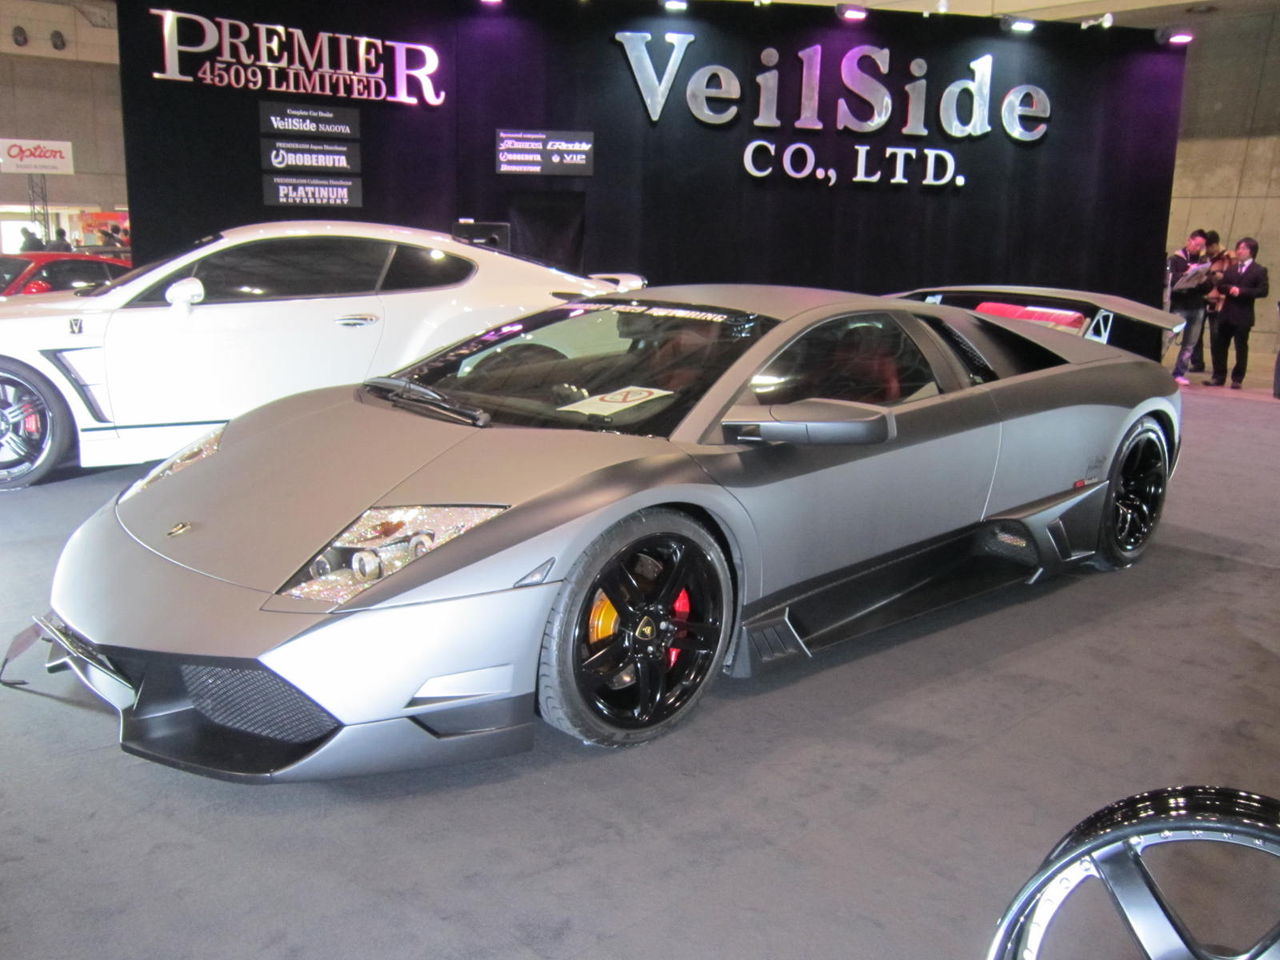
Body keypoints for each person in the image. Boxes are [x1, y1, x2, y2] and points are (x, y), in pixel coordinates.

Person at [1205, 238, 1269, 389]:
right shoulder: (1232, 269)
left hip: (1243, 314)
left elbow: (1263, 291)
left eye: (1243, 248)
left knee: (1241, 347)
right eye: (1238, 248)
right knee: (1220, 345)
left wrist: (1242, 291)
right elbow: (1221, 287)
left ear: (1251, 252)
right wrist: (1228, 289)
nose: (1239, 251)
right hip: (1227, 313)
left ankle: (1237, 378)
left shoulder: (1259, 270)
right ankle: (1218, 376)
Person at [1168, 229, 1210, 384]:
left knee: (1190, 344)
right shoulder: (1175, 259)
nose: (1198, 248)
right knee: (1168, 339)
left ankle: (1179, 372)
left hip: (1197, 306)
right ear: (1189, 241)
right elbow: (1171, 282)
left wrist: (1202, 279)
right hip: (1179, 306)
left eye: (1201, 246)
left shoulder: (1203, 261)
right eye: (1196, 244)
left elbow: (1209, 287)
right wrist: (1186, 273)